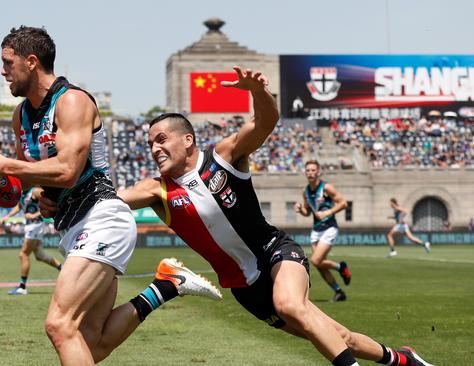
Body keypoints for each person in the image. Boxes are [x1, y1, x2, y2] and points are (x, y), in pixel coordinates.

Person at [115, 66, 433, 365]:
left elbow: (265, 122)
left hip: (275, 252)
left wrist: (258, 92)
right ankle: (403, 358)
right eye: (150, 143)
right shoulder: (156, 190)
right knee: (338, 336)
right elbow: (111, 202)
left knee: (291, 305)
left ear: (187, 140)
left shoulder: (223, 156)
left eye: (161, 139)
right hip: (246, 289)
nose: (154, 149)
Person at [0, 26, 221, 365]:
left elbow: (68, 169)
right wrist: (27, 188)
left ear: (31, 61)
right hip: (72, 228)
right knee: (91, 344)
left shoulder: (72, 101)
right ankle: (166, 286)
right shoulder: (20, 115)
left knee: (59, 324)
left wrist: (5, 165)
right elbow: (26, 176)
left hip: (102, 217)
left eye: (8, 63)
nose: (2, 71)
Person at [294, 160, 351, 302]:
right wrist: (301, 209)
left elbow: (343, 203)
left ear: (318, 172)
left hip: (329, 228)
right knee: (318, 264)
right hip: (316, 230)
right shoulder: (305, 191)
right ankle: (338, 291)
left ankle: (340, 267)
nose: (310, 173)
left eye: (313, 170)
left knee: (316, 260)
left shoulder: (326, 188)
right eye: (308, 170)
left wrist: (328, 212)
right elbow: (308, 212)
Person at [1, 187, 62, 295]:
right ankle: (63, 269)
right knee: (40, 255)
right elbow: (19, 206)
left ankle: (22, 287)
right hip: (31, 226)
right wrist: (8, 216)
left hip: (36, 226)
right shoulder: (23, 194)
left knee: (23, 254)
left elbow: (52, 203)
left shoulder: (35, 191)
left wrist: (36, 214)